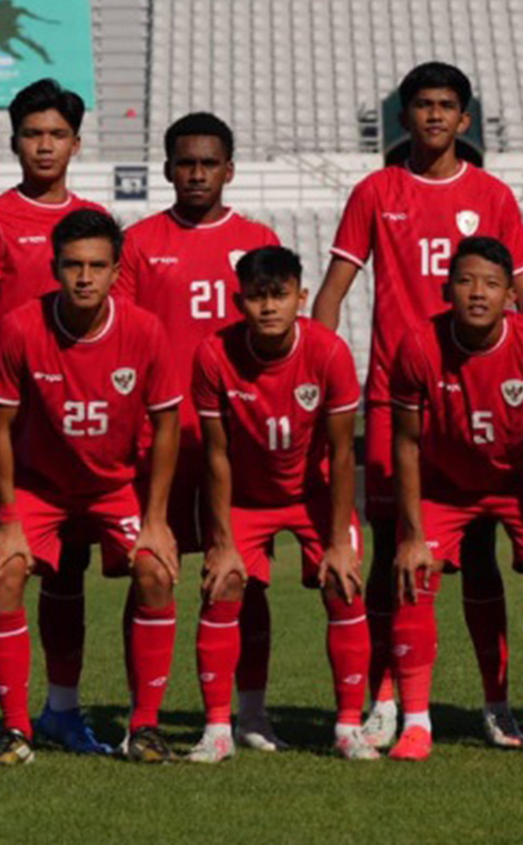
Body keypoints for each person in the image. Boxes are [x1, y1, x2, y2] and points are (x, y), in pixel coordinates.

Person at [313, 62, 523, 750]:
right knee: (395, 550)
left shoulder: (493, 195)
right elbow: (332, 291)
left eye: (446, 105)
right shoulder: (376, 191)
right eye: (422, 105)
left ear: (464, 119)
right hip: (397, 397)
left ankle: (495, 702)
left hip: (481, 398)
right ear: (404, 117)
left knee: (478, 552)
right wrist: (320, 370)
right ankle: (387, 695)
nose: (435, 116)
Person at [0, 209, 183, 766]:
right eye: (73, 265)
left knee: (156, 569)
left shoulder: (144, 330)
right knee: (4, 572)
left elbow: (167, 426)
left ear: (117, 271)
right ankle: (17, 733)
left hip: (114, 487)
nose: (85, 277)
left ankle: (144, 728)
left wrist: (158, 519)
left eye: (97, 266)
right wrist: (9, 517)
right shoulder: (20, 328)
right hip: (42, 488)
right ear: (55, 268)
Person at [115, 112, 287, 751]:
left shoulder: (257, 238)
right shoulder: (138, 243)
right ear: (166, 170)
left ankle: (250, 713)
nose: (196, 173)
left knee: (246, 580)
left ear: (229, 170)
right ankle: (146, 718)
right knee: (153, 573)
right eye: (185, 163)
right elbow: (127, 343)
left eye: (208, 163)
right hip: (160, 441)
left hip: (237, 445)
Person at [0, 79, 109, 759]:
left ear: (76, 142)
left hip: (78, 426)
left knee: (68, 567)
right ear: (14, 139)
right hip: (11, 420)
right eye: (31, 133)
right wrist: (41, 376)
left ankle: (62, 710)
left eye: (56, 134)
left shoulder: (97, 221)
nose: (44, 145)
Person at [388, 237, 523, 762]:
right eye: (467, 281)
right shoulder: (419, 344)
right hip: (446, 485)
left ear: (511, 295)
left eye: (492, 284)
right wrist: (410, 536)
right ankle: (416, 722)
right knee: (414, 572)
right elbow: (405, 442)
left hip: (519, 482)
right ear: (447, 289)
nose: (478, 293)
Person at [190, 246, 375, 762]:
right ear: (237, 301)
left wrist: (338, 542)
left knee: (344, 582)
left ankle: (347, 728)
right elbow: (216, 454)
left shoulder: (330, 352)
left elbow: (342, 455)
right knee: (223, 587)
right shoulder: (213, 354)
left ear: (301, 297)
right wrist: (223, 543)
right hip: (246, 498)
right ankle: (223, 728)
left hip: (313, 496)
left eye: (278, 295)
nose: (268, 307)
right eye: (255, 297)